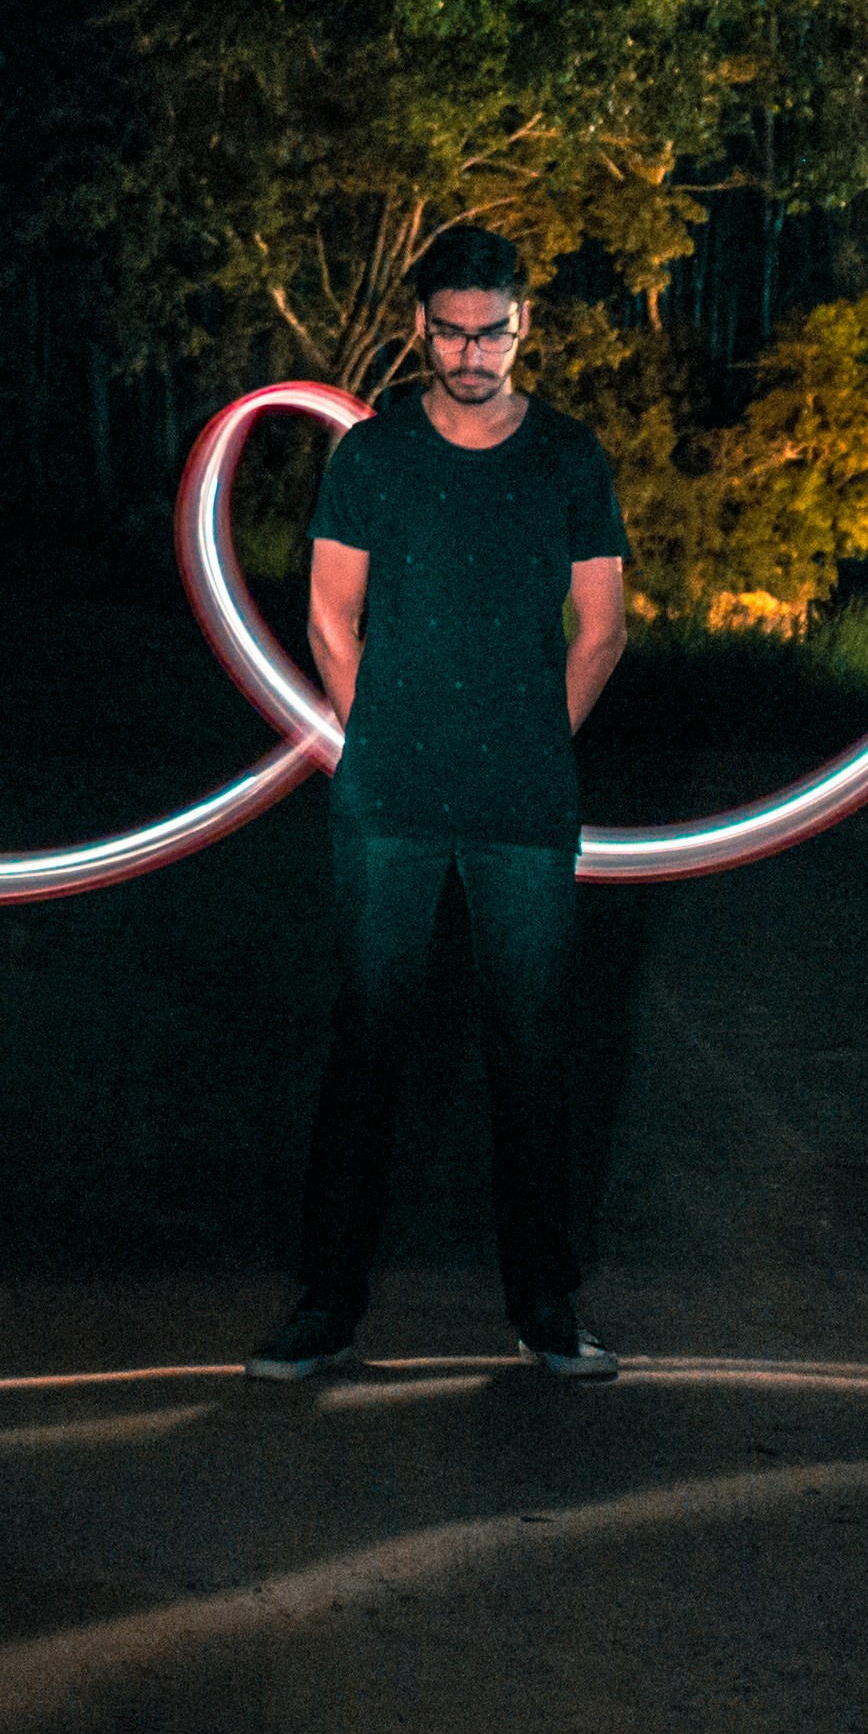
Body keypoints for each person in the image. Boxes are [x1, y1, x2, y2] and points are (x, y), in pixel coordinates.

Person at [246, 222, 631, 1383]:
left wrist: (523, 738)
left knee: (532, 1052)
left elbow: (603, 627)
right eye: (454, 331)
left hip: (522, 799)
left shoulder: (569, 456)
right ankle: (326, 1307)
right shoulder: (372, 455)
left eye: (493, 332)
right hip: (393, 794)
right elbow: (327, 614)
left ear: (523, 327)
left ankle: (547, 1309)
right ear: (422, 326)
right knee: (368, 1046)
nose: (473, 352)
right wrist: (394, 734)